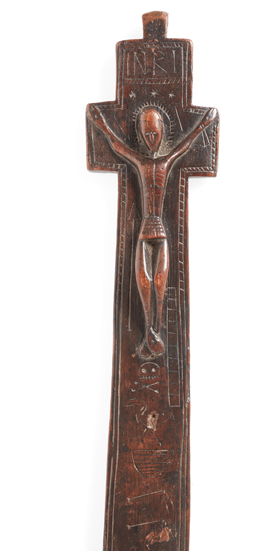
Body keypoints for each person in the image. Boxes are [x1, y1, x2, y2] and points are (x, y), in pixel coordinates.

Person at [88, 104, 217, 359]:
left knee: (160, 282)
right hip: (145, 230)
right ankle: (149, 331)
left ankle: (154, 332)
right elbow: (117, 146)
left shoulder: (167, 161)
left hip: (161, 231)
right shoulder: (140, 162)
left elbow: (185, 146)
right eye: (146, 132)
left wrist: (204, 124)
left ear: (162, 132)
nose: (150, 137)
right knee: (143, 281)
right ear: (139, 133)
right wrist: (100, 124)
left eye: (154, 132)